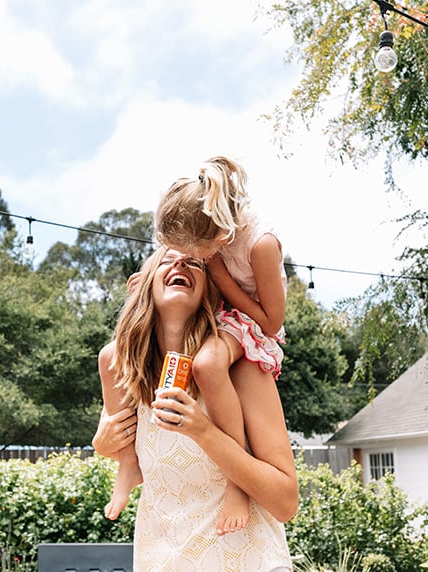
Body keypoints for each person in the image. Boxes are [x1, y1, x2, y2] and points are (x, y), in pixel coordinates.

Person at [93, 246, 298, 570]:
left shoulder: (240, 370)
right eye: (167, 260)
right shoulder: (133, 380)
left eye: (193, 263)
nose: (180, 263)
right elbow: (137, 462)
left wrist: (203, 431)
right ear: (143, 284)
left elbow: (285, 502)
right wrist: (104, 447)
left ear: (210, 295)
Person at [153, 155, 288, 534]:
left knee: (208, 365)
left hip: (254, 323)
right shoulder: (213, 232)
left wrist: (220, 279)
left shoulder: (260, 244)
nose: (186, 261)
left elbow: (272, 321)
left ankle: (237, 478)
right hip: (226, 313)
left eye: (192, 255)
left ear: (220, 239)